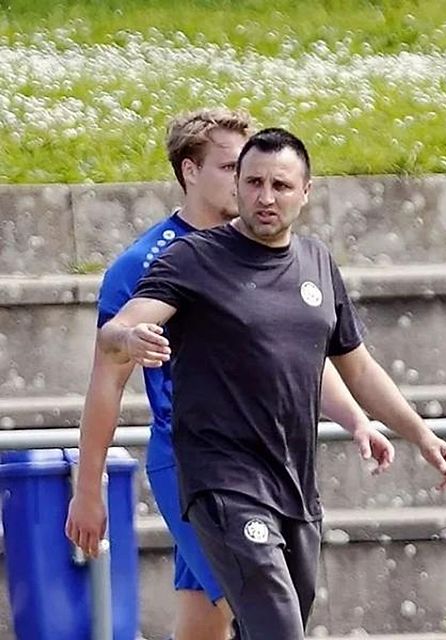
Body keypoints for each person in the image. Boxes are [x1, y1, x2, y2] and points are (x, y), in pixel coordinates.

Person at [97, 127, 446, 639]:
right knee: (279, 626)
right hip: (222, 479)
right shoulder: (193, 258)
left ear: (306, 191)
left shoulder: (316, 262)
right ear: (239, 186)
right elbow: (116, 332)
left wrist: (419, 434)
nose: (266, 197)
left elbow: (356, 367)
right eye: (254, 183)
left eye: (281, 186)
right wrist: (128, 338)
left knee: (269, 622)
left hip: (294, 481)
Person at [64, 109, 380, 640]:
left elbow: (294, 357)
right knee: (258, 610)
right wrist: (88, 488)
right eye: (237, 169)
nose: (255, 187)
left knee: (207, 621)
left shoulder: (266, 253)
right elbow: (107, 377)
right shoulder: (149, 260)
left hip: (266, 461)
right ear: (191, 171)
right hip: (194, 461)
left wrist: (356, 419)